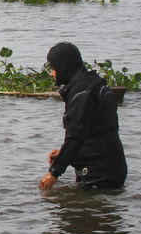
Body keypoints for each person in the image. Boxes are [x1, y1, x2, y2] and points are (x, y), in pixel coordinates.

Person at [39, 41, 127, 190]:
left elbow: (76, 136)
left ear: (64, 67)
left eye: (53, 69)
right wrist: (63, 154)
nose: (52, 74)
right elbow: (95, 133)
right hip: (111, 168)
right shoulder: (94, 84)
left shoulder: (82, 93)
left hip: (99, 174)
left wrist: (54, 173)